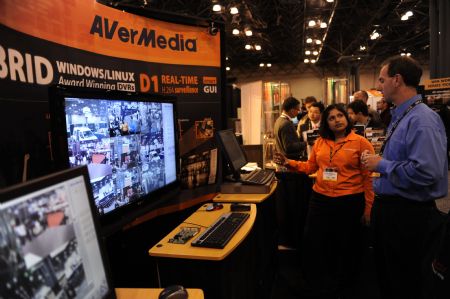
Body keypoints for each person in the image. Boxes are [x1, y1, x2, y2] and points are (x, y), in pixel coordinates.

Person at [361, 56, 448, 299]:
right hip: (392, 213)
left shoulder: (422, 119)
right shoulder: (402, 115)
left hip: (408, 216)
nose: (378, 87)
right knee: (390, 279)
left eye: (382, 79)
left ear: (397, 80)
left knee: (405, 283)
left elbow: (427, 172)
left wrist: (383, 165)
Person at [274, 104, 375, 298]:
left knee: (345, 244)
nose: (337, 120)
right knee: (314, 242)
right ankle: (316, 283)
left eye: (340, 116)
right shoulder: (320, 142)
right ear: (326, 123)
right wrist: (289, 163)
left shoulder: (361, 143)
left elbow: (368, 178)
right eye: (331, 118)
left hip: (349, 201)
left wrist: (368, 208)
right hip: (320, 199)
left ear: (347, 118)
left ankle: (344, 285)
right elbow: (310, 167)